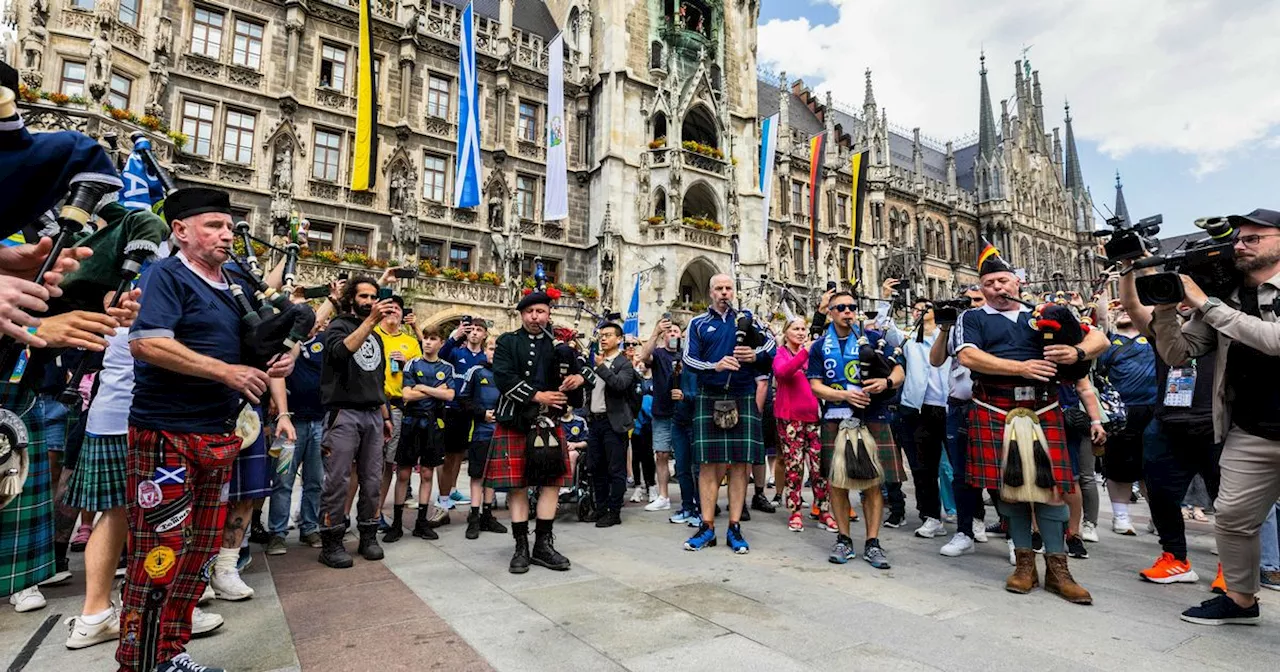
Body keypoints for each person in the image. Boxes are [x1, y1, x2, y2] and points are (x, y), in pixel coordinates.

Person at [121, 187, 293, 671]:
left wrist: (278, 357)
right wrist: (226, 372)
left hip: (217, 436)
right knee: (160, 554)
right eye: (214, 225)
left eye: (229, 225)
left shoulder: (235, 279)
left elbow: (257, 343)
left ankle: (170, 654)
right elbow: (148, 343)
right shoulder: (165, 275)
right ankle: (139, 662)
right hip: (167, 434)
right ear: (181, 231)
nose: (227, 233)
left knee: (197, 553)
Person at [954, 240, 1106, 604]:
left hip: (1043, 408)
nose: (998, 288)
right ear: (981, 287)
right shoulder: (971, 318)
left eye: (1004, 281)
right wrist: (1021, 367)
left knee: (1052, 490)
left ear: (1017, 282)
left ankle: (1058, 569)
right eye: (989, 283)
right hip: (995, 408)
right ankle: (1024, 565)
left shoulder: (1043, 313)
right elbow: (969, 356)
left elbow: (1098, 337)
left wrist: (1077, 351)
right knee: (1011, 490)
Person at [1156, 209, 1280, 625]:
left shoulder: (1217, 304)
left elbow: (1273, 339)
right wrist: (1163, 309)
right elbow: (1178, 354)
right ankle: (1242, 601)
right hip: (1253, 431)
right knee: (1232, 518)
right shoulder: (1226, 300)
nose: (1241, 246)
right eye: (1238, 240)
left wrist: (1204, 304)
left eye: (1253, 239)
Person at [487, 289, 591, 572]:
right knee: (518, 485)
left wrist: (577, 378)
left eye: (541, 311)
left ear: (548, 314)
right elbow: (503, 377)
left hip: (549, 424)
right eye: (530, 312)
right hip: (516, 421)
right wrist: (538, 396)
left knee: (551, 484)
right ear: (522, 314)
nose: (535, 317)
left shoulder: (560, 344)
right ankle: (520, 546)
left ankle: (543, 545)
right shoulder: (508, 342)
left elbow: (589, 371)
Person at [808, 290, 905, 568]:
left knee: (873, 481)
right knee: (837, 482)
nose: (847, 312)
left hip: (873, 414)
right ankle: (844, 539)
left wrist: (886, 384)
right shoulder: (818, 347)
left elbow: (898, 371)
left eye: (852, 307)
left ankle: (872, 542)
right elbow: (815, 385)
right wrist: (845, 396)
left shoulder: (872, 338)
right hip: (835, 417)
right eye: (840, 308)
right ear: (830, 312)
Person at [682, 274, 776, 554]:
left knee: (740, 464)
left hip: (742, 393)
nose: (724, 293)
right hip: (710, 395)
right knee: (708, 465)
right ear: (710, 293)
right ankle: (707, 527)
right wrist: (715, 366)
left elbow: (771, 346)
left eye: (728, 288)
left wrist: (754, 356)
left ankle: (735, 527)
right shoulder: (698, 323)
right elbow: (688, 360)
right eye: (719, 289)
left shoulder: (747, 320)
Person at [316, 276, 397, 569]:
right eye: (363, 296)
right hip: (344, 413)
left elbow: (378, 379)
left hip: (373, 414)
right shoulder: (339, 326)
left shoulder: (376, 337)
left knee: (373, 479)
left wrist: (385, 415)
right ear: (351, 299)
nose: (370, 302)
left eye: (374, 296)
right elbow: (340, 352)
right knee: (338, 479)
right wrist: (370, 322)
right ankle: (332, 540)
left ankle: (368, 535)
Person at [877, 281, 951, 540]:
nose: (919, 311)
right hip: (918, 409)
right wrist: (885, 299)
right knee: (923, 468)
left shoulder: (949, 336)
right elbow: (885, 328)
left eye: (925, 308)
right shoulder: (908, 339)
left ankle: (971, 520)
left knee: (960, 467)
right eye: (916, 309)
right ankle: (931, 516)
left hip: (948, 407)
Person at [385, 327, 456, 542]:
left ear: (441, 343)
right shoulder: (412, 363)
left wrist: (422, 387)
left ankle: (421, 523)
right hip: (411, 422)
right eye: (425, 338)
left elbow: (450, 395)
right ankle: (396, 524)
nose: (427, 342)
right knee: (403, 474)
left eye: (433, 339)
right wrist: (436, 390)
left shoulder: (446, 367)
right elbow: (406, 394)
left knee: (427, 473)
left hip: (434, 423)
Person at [1096, 306, 1159, 536]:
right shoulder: (1108, 341)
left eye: (1127, 308)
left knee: (1153, 468)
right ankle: (1121, 516)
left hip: (1154, 410)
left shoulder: (1152, 337)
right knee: (1118, 467)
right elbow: (1101, 316)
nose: (1123, 311)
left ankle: (1158, 516)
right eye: (1118, 309)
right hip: (1119, 412)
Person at [773, 316, 833, 533]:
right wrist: (804, 352)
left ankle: (824, 511)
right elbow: (782, 373)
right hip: (790, 417)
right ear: (786, 332)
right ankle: (795, 511)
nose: (800, 332)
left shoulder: (813, 354)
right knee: (794, 467)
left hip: (814, 417)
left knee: (820, 467)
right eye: (796, 329)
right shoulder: (781, 353)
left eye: (803, 329)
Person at [374, 295, 422, 528]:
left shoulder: (410, 342)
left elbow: (422, 373)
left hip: (397, 407)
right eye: (389, 308)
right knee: (361, 465)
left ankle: (376, 512)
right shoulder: (371, 333)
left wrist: (407, 363)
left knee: (387, 464)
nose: (393, 312)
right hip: (371, 405)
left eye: (397, 309)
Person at [436, 318, 491, 520]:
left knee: (461, 454)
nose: (474, 333)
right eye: (472, 330)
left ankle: (452, 490)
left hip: (474, 412)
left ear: (485, 334)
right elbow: (440, 356)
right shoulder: (457, 352)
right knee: (449, 455)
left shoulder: (486, 357)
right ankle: (442, 498)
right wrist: (454, 336)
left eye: (479, 330)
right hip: (453, 409)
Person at [585, 323, 638, 528]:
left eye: (608, 335)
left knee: (616, 468)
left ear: (618, 339)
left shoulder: (624, 363)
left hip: (613, 422)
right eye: (601, 335)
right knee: (595, 467)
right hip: (595, 421)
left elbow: (619, 385)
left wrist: (601, 367)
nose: (603, 339)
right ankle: (600, 508)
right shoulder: (596, 361)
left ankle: (614, 511)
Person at [458, 338, 507, 539]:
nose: (494, 352)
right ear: (485, 350)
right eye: (491, 348)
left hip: (501, 433)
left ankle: (488, 515)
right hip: (481, 433)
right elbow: (463, 399)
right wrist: (481, 414)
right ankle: (475, 517)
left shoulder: (507, 375)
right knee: (477, 476)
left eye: (498, 349)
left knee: (492, 477)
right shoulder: (476, 372)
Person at [639, 318, 681, 512]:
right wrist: (655, 332)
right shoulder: (659, 353)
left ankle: (694, 496)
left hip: (683, 411)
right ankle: (663, 496)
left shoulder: (686, 354)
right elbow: (643, 356)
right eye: (669, 331)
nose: (673, 334)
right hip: (662, 411)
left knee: (686, 455)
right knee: (661, 454)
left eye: (676, 331)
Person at [628, 357, 655, 504]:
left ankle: (651, 485)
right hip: (636, 424)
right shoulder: (636, 381)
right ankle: (638, 486)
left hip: (650, 423)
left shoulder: (655, 380)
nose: (640, 364)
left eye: (642, 361)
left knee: (648, 456)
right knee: (636, 456)